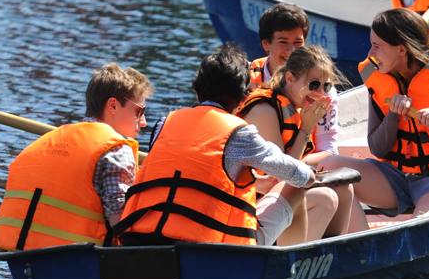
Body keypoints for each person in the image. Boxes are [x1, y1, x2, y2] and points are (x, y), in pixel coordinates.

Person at [114, 44, 323, 247]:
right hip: (211, 250)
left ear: (197, 91)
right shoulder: (239, 132)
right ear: (243, 98)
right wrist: (311, 174)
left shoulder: (164, 123)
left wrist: (255, 184)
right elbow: (294, 173)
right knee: (296, 187)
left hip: (141, 239)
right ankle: (291, 272)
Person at [314, 8, 429, 231]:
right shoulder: (378, 79)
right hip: (396, 178)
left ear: (401, 49)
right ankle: (360, 245)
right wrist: (393, 116)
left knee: (422, 224)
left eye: (377, 46)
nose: (370, 52)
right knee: (331, 169)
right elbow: (377, 148)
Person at [0, 63, 153, 251]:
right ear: (113, 105)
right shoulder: (116, 150)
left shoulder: (45, 142)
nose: (144, 122)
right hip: (81, 263)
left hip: (23, 260)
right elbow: (121, 224)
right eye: (139, 111)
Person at [237, 45, 357, 244]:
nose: (320, 93)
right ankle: (298, 263)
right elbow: (282, 173)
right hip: (253, 205)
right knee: (326, 198)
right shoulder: (265, 110)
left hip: (281, 193)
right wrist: (306, 130)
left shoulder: (297, 107)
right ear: (290, 78)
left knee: (344, 187)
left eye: (326, 87)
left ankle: (331, 258)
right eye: (313, 85)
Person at [249, 3, 338, 154]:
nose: (291, 51)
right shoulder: (246, 79)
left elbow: (328, 147)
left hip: (306, 164)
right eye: (283, 42)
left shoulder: (323, 89)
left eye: (298, 43)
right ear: (266, 44)